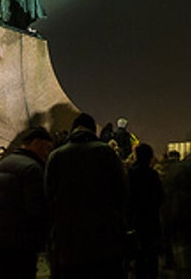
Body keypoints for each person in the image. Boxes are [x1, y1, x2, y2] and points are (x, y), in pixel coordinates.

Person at [45, 113, 128, 278]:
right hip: (104, 238)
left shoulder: (56, 156)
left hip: (69, 239)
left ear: (73, 129)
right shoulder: (107, 153)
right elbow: (123, 191)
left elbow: (48, 197)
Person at [0, 127, 53, 278]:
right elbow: (36, 210)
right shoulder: (32, 169)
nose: (47, 153)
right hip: (19, 243)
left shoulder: (0, 165)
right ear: (37, 143)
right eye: (47, 148)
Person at [128, 143, 163, 279]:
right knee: (152, 258)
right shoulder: (153, 175)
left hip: (136, 220)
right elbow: (160, 197)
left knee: (139, 258)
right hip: (151, 219)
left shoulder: (131, 174)